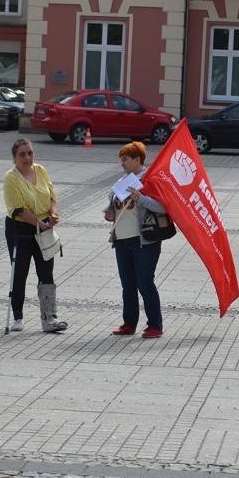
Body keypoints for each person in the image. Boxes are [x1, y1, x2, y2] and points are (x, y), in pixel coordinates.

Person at [103, 141, 167, 338]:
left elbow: (163, 207)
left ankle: (155, 325)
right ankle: (129, 323)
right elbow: (114, 207)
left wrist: (141, 198)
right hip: (121, 239)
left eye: (126, 159)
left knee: (145, 283)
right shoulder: (122, 181)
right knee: (128, 284)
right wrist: (109, 212)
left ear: (137, 160)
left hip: (143, 240)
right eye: (121, 160)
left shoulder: (149, 179)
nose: (122, 163)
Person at [3, 138, 68, 333]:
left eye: (30, 153)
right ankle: (18, 317)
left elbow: (51, 196)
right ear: (14, 158)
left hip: (44, 225)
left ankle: (50, 317)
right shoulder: (11, 178)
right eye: (22, 154)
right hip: (20, 228)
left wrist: (53, 214)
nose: (27, 157)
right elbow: (19, 209)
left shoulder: (40, 170)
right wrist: (41, 225)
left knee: (46, 271)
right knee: (20, 271)